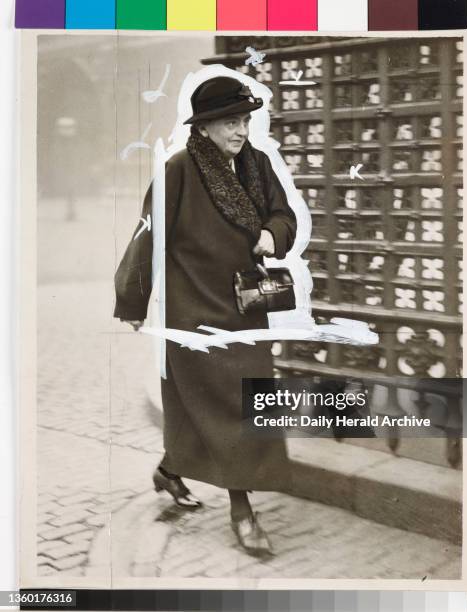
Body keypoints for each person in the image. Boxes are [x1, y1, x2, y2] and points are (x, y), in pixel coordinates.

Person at [114, 76, 297, 557]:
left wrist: (272, 235)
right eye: (231, 122)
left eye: (245, 121)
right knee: (229, 407)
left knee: (242, 403)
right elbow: (146, 237)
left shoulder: (256, 164)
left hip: (247, 307)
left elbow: (284, 214)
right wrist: (133, 300)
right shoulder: (177, 170)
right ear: (207, 127)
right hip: (195, 312)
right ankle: (242, 511)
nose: (241, 131)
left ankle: (169, 470)